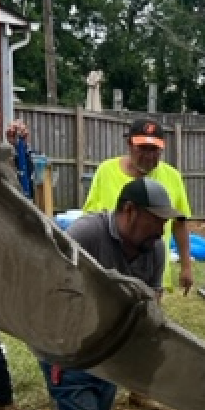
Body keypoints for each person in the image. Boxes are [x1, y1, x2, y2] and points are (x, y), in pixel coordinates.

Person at [43, 176, 186, 410]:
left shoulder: (154, 250)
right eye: (156, 219)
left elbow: (151, 305)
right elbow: (55, 292)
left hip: (111, 352)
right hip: (66, 344)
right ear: (129, 212)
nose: (161, 228)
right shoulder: (86, 234)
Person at [83, 117, 193, 296]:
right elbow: (91, 219)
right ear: (129, 144)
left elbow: (179, 224)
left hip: (152, 273)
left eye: (154, 149)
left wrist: (186, 266)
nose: (149, 155)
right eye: (142, 148)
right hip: (110, 271)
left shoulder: (173, 177)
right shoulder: (106, 172)